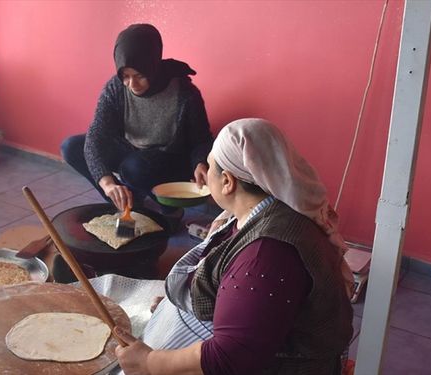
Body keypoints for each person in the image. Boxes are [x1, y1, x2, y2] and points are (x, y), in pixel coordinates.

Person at [112, 118, 354, 374]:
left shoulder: (267, 255)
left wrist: (150, 363)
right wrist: (178, 305)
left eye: (210, 165)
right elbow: (250, 299)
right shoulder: (268, 210)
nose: (205, 177)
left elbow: (232, 356)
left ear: (228, 181)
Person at [61, 24, 213, 211]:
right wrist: (107, 183)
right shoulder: (116, 88)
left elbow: (202, 140)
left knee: (133, 167)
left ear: (153, 67)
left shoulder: (185, 93)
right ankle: (126, 202)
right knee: (71, 147)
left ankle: (169, 209)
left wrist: (200, 162)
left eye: (140, 75)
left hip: (168, 158)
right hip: (130, 149)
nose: (132, 84)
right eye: (125, 76)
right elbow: (96, 137)